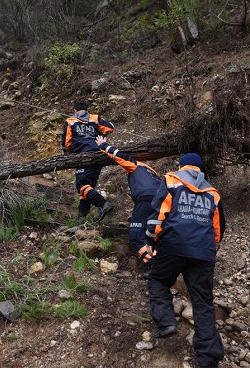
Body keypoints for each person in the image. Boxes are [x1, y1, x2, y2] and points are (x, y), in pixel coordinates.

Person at [145, 153, 226, 368]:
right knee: (202, 301)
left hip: (173, 245)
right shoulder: (213, 193)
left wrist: (151, 241)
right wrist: (211, 249)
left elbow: (157, 214)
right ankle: (209, 358)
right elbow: (218, 229)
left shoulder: (171, 180)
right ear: (200, 169)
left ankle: (166, 323)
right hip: (203, 251)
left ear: (181, 165)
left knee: (158, 279)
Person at [94, 135, 161, 264]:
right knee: (151, 235)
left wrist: (103, 145)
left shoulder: (136, 165)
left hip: (145, 198)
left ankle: (157, 265)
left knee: (136, 236)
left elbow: (119, 156)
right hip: (160, 203)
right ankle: (163, 264)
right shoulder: (154, 174)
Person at [61, 101, 114, 222]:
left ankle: (103, 204)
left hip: (84, 156)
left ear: (75, 110)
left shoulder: (70, 121)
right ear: (87, 110)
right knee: (87, 187)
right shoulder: (94, 118)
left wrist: (68, 154)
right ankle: (81, 219)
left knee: (81, 185)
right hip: (99, 155)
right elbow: (110, 127)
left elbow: (66, 143)